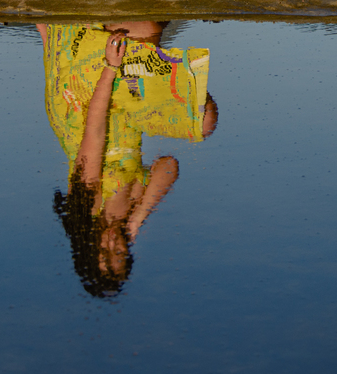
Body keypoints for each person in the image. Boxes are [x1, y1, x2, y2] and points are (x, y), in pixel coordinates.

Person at [39, 21, 217, 297]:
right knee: (204, 123)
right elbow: (168, 165)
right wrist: (136, 221)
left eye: (103, 250)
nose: (112, 244)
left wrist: (110, 68)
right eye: (120, 252)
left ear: (88, 248)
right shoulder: (130, 214)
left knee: (140, 29)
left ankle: (70, 35)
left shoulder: (87, 206)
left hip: (86, 105)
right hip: (129, 116)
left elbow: (95, 130)